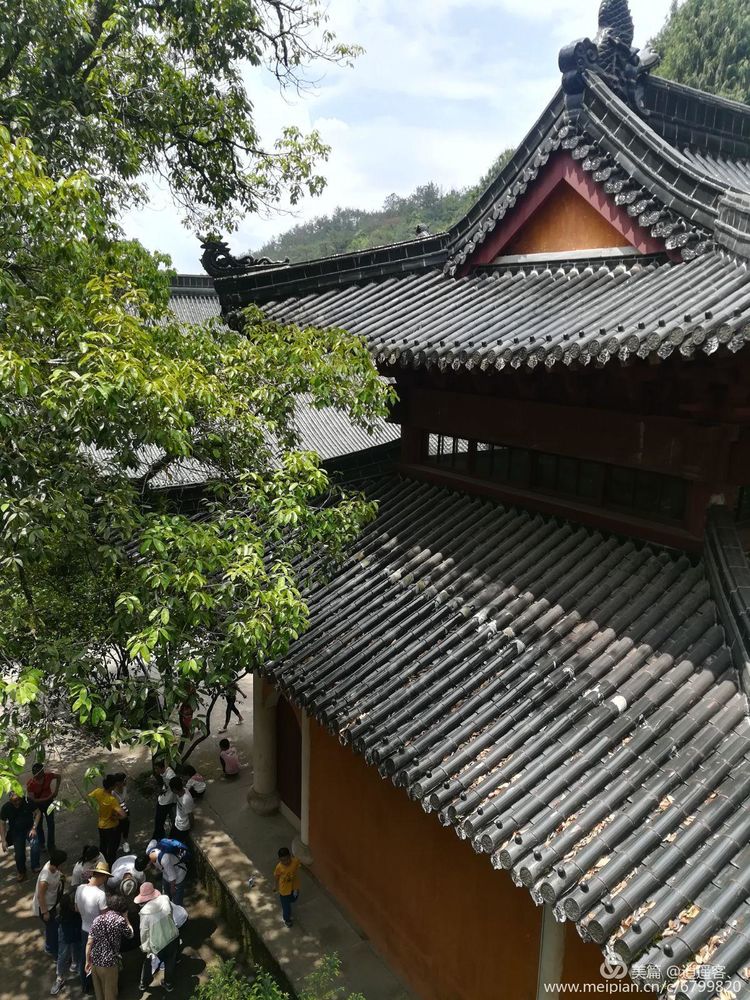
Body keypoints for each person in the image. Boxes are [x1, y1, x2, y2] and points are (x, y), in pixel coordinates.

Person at [85, 893, 133, 1000]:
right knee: (110, 993)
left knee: (99, 992)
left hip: (95, 960)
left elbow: (89, 943)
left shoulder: (97, 919)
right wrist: (126, 918)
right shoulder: (119, 920)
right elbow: (130, 934)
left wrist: (87, 961)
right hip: (109, 963)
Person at [135, 882, 180, 993]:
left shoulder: (145, 913)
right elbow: (171, 914)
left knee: (149, 962)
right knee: (170, 961)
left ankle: (143, 984)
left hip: (157, 943)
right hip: (172, 936)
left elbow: (144, 933)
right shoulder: (165, 899)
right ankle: (168, 984)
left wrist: (146, 948)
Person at [74, 860, 110, 992]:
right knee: (100, 960)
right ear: (103, 876)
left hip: (84, 928)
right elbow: (104, 917)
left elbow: (77, 908)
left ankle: (85, 985)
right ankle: (99, 986)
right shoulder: (100, 894)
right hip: (98, 932)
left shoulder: (79, 888)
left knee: (85, 958)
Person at [32, 848, 68, 960]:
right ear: (58, 864)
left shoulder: (52, 866)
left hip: (52, 904)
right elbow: (40, 896)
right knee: (53, 930)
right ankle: (54, 953)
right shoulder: (45, 878)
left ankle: (48, 947)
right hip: (45, 908)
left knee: (51, 928)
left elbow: (58, 875)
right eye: (63, 864)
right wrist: (45, 912)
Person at [1, 790, 42, 880]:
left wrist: (34, 827)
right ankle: (22, 872)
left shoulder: (27, 801)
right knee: (19, 854)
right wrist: (3, 840)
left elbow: (38, 812)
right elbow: (2, 823)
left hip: (29, 829)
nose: (17, 802)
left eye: (19, 799)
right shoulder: (6, 808)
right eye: (14, 801)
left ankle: (35, 866)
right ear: (10, 800)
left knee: (35, 845)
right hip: (16, 832)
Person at [88, 775, 126, 865]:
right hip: (112, 827)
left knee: (103, 845)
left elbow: (89, 798)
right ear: (112, 787)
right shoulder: (112, 800)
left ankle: (102, 863)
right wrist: (116, 817)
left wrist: (98, 807)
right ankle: (111, 864)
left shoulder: (97, 792)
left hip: (101, 825)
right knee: (112, 847)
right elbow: (123, 815)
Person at [52, 887, 82, 995]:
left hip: (76, 932)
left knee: (76, 948)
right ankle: (59, 977)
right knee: (63, 955)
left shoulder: (76, 910)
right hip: (66, 934)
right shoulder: (63, 913)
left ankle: (75, 964)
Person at [26, 762, 61, 852]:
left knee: (51, 824)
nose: (36, 774)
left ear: (42, 771)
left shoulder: (48, 776)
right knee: (39, 825)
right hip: (38, 806)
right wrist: (48, 797)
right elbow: (33, 800)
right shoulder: (31, 784)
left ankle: (51, 845)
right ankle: (42, 843)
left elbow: (58, 777)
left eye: (38, 772)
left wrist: (56, 790)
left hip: (49, 803)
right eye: (35, 772)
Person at [146, 838, 188, 906]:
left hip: (178, 877)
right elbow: (154, 840)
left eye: (147, 867)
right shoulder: (149, 851)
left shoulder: (164, 859)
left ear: (148, 863)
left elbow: (173, 876)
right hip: (166, 875)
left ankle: (180, 914)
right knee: (166, 897)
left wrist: (173, 888)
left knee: (177, 902)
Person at [274, 846, 301, 928]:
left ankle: (289, 902)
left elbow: (298, 865)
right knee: (286, 908)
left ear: (290, 856)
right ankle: (287, 920)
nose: (286, 862)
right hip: (284, 890)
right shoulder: (279, 867)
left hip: (294, 887)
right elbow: (276, 877)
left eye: (287, 859)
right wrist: (275, 886)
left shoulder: (295, 861)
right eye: (283, 860)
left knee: (294, 899)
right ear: (279, 859)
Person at [152, 758, 176, 839]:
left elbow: (175, 788)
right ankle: (159, 834)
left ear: (162, 768)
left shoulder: (170, 776)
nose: (155, 770)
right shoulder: (164, 773)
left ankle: (158, 836)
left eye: (157, 768)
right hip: (164, 798)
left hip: (168, 800)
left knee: (159, 819)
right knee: (158, 819)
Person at [111, 773, 130, 854]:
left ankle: (125, 843)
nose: (125, 782)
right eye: (123, 781)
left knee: (126, 828)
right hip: (117, 815)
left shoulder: (124, 787)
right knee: (117, 832)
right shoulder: (113, 793)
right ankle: (114, 848)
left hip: (124, 811)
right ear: (117, 783)